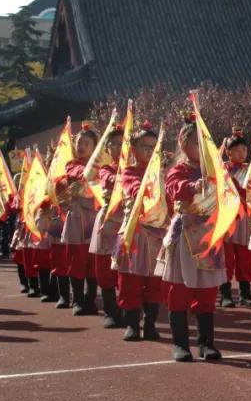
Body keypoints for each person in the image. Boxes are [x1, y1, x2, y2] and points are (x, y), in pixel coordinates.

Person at [157, 117, 225, 362]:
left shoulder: (216, 170)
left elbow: (234, 192)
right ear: (183, 144)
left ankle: (207, 344)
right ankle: (180, 344)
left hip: (208, 236)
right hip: (184, 235)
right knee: (179, 290)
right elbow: (175, 188)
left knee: (207, 292)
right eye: (195, 143)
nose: (200, 148)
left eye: (204, 143)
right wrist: (194, 186)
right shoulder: (178, 170)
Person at [111, 121, 166, 342]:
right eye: (144, 146)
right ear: (133, 149)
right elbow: (135, 190)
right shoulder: (129, 172)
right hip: (133, 233)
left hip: (157, 234)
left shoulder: (162, 173)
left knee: (154, 281)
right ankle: (132, 324)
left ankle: (150, 324)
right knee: (129, 282)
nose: (149, 151)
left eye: (154, 147)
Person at [58, 123, 101, 316]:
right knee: (77, 259)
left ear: (95, 146)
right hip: (77, 218)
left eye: (86, 143)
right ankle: (77, 300)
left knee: (93, 261)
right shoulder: (72, 165)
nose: (81, 146)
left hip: (95, 216)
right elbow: (78, 174)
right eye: (79, 143)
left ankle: (90, 299)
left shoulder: (103, 167)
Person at [89, 124, 126, 328]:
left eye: (124, 143)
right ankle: (110, 311)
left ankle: (127, 308)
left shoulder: (139, 169)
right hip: (110, 221)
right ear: (108, 149)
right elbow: (109, 179)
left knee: (128, 267)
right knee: (105, 267)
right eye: (115, 144)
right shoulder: (105, 169)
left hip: (130, 220)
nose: (120, 148)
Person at [221, 128, 251, 308]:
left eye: (244, 150)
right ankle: (225, 294)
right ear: (228, 152)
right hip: (227, 218)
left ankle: (245, 293)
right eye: (237, 150)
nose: (241, 153)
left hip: (245, 219)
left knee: (244, 258)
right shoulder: (222, 169)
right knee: (226, 258)